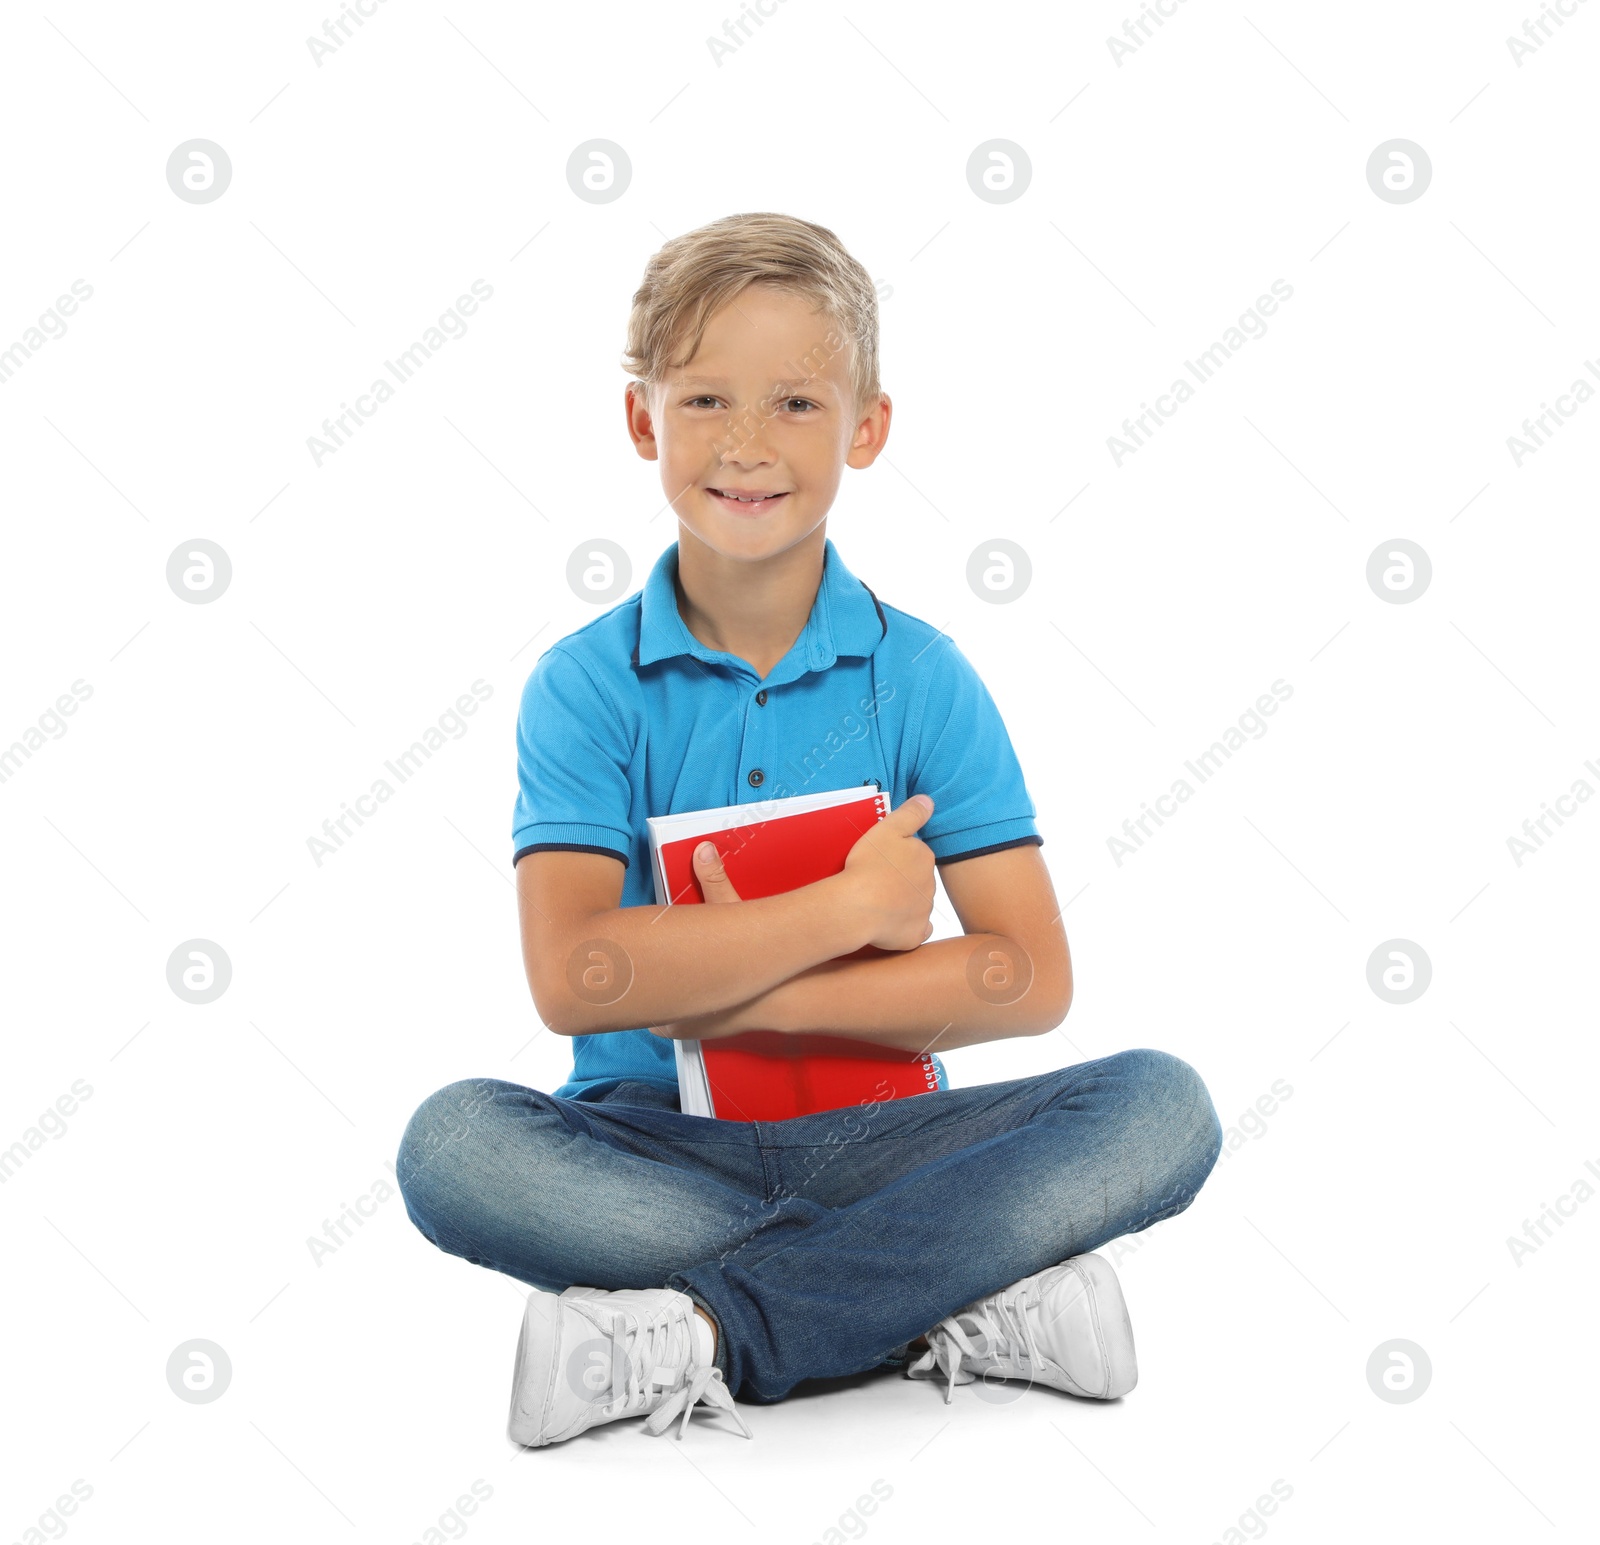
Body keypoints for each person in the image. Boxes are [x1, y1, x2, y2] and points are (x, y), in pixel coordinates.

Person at [396, 211, 1222, 1448]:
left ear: (866, 428)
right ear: (642, 422)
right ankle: (955, 1292)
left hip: (891, 1141)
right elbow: (578, 981)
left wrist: (745, 995)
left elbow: (1028, 978)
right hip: (654, 1149)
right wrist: (846, 916)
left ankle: (699, 1332)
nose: (743, 444)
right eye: (703, 401)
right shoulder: (587, 685)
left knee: (1164, 1104)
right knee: (453, 1145)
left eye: (793, 403)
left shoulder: (923, 677)